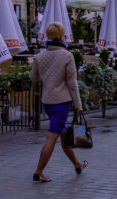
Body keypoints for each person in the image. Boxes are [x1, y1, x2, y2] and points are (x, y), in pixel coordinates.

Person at [30, 22, 86, 183]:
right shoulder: (67, 56)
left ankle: (77, 164)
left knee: (63, 135)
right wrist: (78, 104)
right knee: (51, 137)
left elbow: (33, 77)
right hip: (62, 102)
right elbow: (72, 83)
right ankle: (39, 171)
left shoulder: (41, 56)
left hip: (47, 101)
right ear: (61, 36)